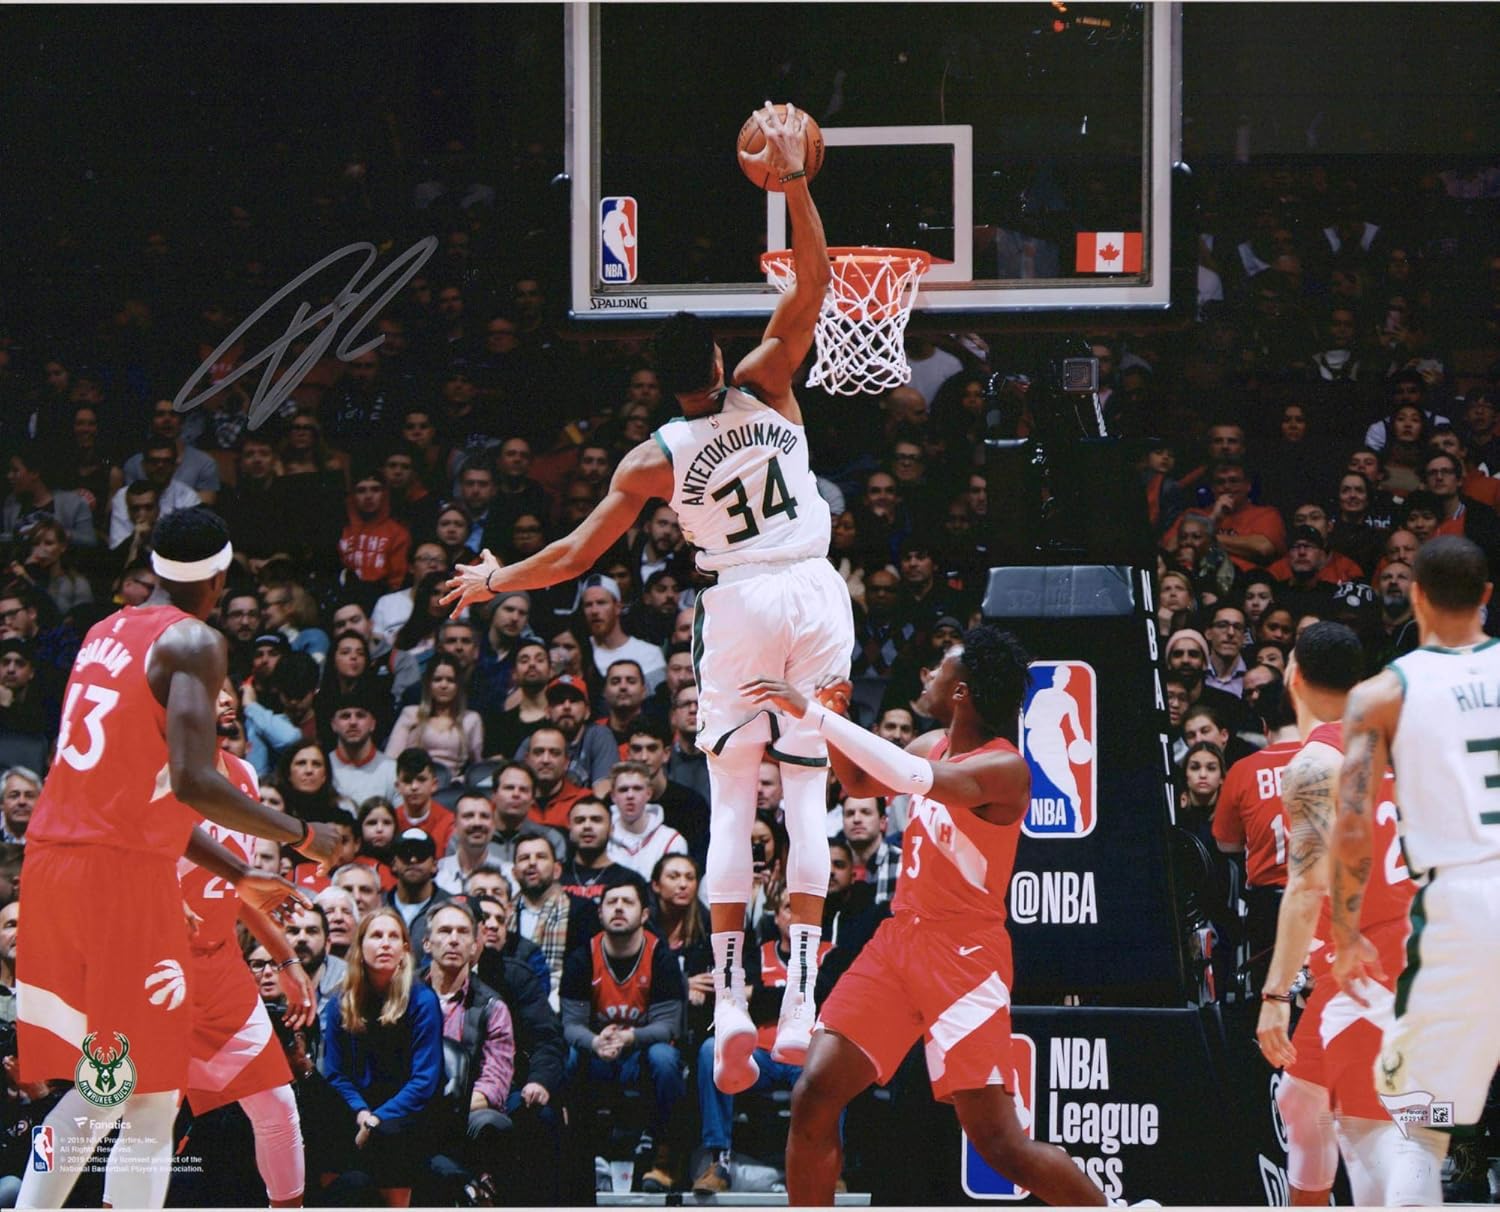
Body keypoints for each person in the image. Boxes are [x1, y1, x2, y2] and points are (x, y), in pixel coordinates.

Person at [444, 104, 852, 1094]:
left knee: (730, 802)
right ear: (714, 365)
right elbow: (815, 285)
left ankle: (733, 1010)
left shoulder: (652, 459)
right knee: (805, 796)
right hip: (815, 590)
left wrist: (492, 578)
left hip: (739, 604)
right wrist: (795, 183)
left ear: (662, 386)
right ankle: (801, 1000)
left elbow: (571, 558)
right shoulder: (766, 379)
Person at [15, 507, 337, 1210]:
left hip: (54, 858)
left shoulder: (105, 631)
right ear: (220, 576)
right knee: (138, 1094)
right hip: (115, 873)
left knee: (113, 1083)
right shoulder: (193, 639)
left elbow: (139, 790)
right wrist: (303, 835)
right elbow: (193, 780)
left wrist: (239, 872)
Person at [742, 626, 1108, 1207]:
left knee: (1000, 1146)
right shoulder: (931, 743)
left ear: (961, 691)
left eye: (939, 668)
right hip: (899, 941)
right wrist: (834, 714)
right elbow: (859, 781)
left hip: (964, 958)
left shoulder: (1005, 768)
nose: (928, 675)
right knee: (815, 1093)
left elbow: (916, 781)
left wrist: (816, 714)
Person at [1330, 536, 1500, 1205]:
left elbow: (1351, 828)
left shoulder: (1381, 694)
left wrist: (1346, 934)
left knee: (1418, 1121)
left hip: (1464, 904)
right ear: (1486, 597)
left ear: (1416, 595)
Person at [132, 678, 311, 1210]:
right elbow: (129, 866)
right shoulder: (157, 773)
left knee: (277, 1103)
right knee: (144, 1116)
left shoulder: (246, 776)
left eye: (228, 688)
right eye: (213, 691)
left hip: (220, 965)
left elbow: (242, 886)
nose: (227, 698)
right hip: (156, 966)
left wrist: (286, 958)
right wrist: (166, 899)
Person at [1254, 622, 1415, 1207]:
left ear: (1292, 675)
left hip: (1376, 964)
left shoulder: (1317, 762)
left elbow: (1304, 888)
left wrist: (1275, 996)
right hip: (1398, 948)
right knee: (1301, 1096)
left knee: (1372, 1147)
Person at [561, 876, 686, 1193]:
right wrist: (594, 1041)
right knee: (569, 1055)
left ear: (644, 914)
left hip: (639, 1056)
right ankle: (576, 1153)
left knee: (665, 1057)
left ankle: (664, 1157)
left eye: (627, 902)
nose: (618, 908)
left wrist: (628, 1037)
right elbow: (571, 1024)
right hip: (597, 1054)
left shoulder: (660, 957)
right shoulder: (582, 957)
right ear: (600, 913)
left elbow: (669, 1026)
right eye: (611, 902)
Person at [321, 907, 445, 1208]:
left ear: (404, 950)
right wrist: (362, 1113)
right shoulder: (340, 1002)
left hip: (407, 1111)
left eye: (393, 937)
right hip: (358, 1108)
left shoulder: (423, 1000)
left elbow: (424, 1081)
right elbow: (335, 1073)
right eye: (376, 936)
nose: (385, 943)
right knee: (320, 1120)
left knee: (390, 1135)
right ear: (360, 947)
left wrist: (377, 1119)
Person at [1211, 677, 1301, 994]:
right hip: (1323, 898)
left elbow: (1225, 843)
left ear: (1264, 725)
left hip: (1269, 906)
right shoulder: (1330, 760)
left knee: (1272, 998)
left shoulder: (1242, 770)